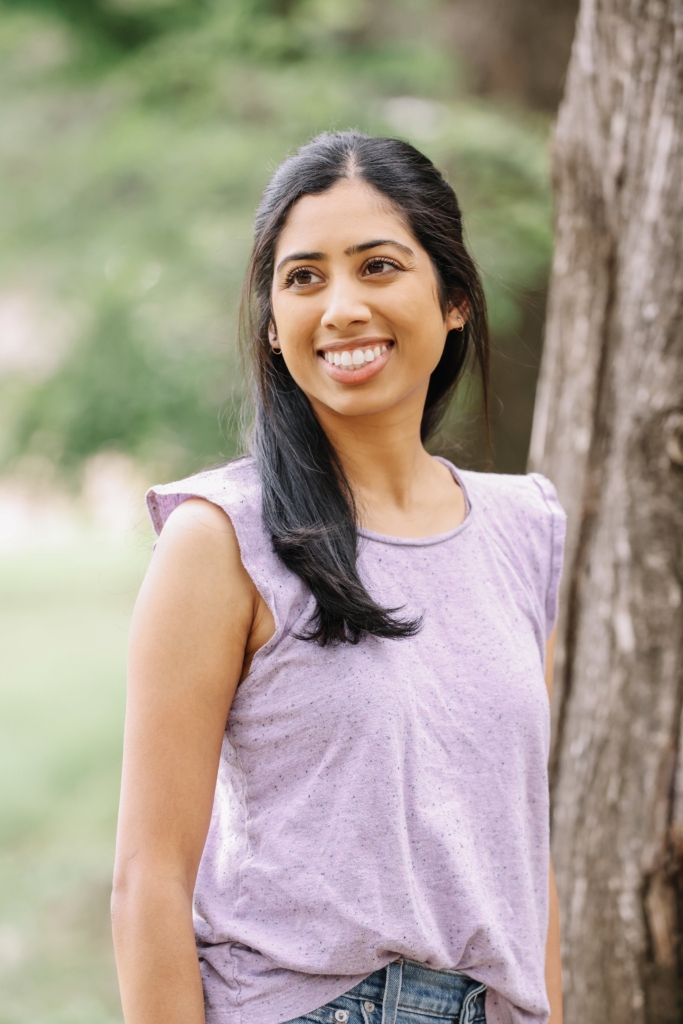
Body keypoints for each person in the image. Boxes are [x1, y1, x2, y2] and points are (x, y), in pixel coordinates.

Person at [111, 131, 566, 1024]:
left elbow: (521, 845)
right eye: (304, 278)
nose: (342, 307)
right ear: (273, 328)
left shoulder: (524, 527)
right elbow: (148, 880)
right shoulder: (221, 538)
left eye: (378, 266)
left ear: (456, 298)